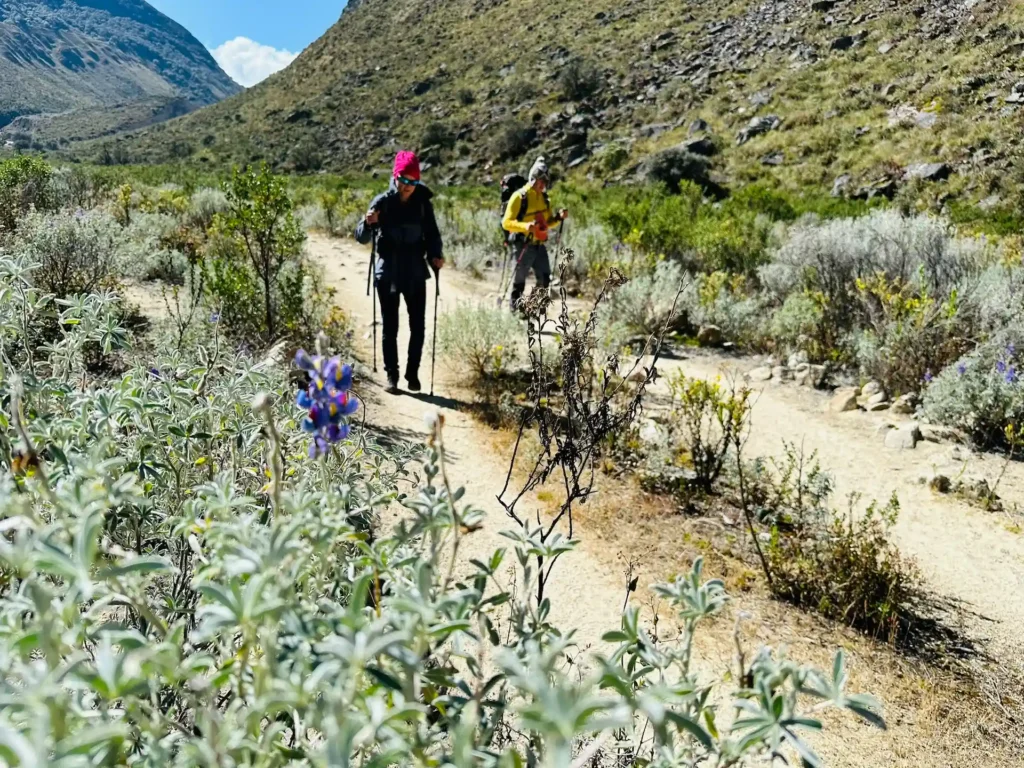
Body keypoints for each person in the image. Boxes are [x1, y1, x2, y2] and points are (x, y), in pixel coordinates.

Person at [355, 151, 444, 394]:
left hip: (415, 270)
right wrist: (368, 223)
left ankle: (412, 372)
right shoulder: (381, 202)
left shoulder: (423, 203)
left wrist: (436, 255)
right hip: (388, 272)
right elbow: (361, 237)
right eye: (404, 180)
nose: (407, 186)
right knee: (390, 327)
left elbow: (432, 235)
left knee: (418, 326)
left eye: (413, 181)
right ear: (395, 177)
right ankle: (391, 376)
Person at [501, 157, 568, 309]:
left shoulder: (543, 199)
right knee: (519, 281)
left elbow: (547, 222)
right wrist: (526, 226)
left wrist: (558, 218)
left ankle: (532, 309)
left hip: (539, 244)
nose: (542, 184)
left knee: (544, 278)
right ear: (533, 179)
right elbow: (506, 222)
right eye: (540, 181)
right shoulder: (519, 197)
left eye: (545, 182)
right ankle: (515, 312)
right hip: (522, 243)